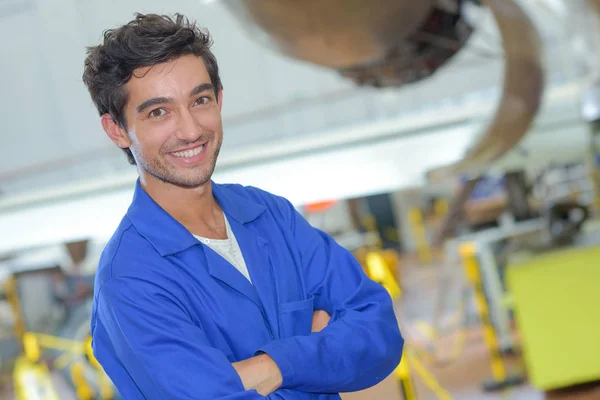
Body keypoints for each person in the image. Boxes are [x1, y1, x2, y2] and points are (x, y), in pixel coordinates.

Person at [82, 13, 403, 399]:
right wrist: (319, 351)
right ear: (117, 130)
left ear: (218, 99)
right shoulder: (130, 282)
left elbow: (379, 329)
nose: (190, 130)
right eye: (158, 112)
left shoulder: (271, 215)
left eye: (199, 100)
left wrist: (272, 367)